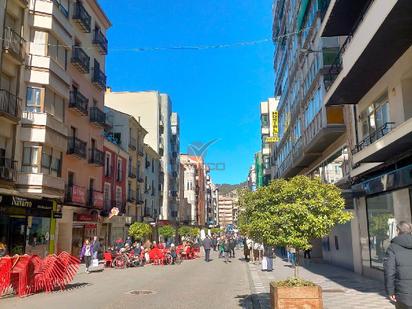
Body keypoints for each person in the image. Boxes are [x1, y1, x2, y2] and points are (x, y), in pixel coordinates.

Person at [384, 221, 412, 309]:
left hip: (403, 294)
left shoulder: (392, 248)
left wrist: (390, 291)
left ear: (398, 231)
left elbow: (389, 272)